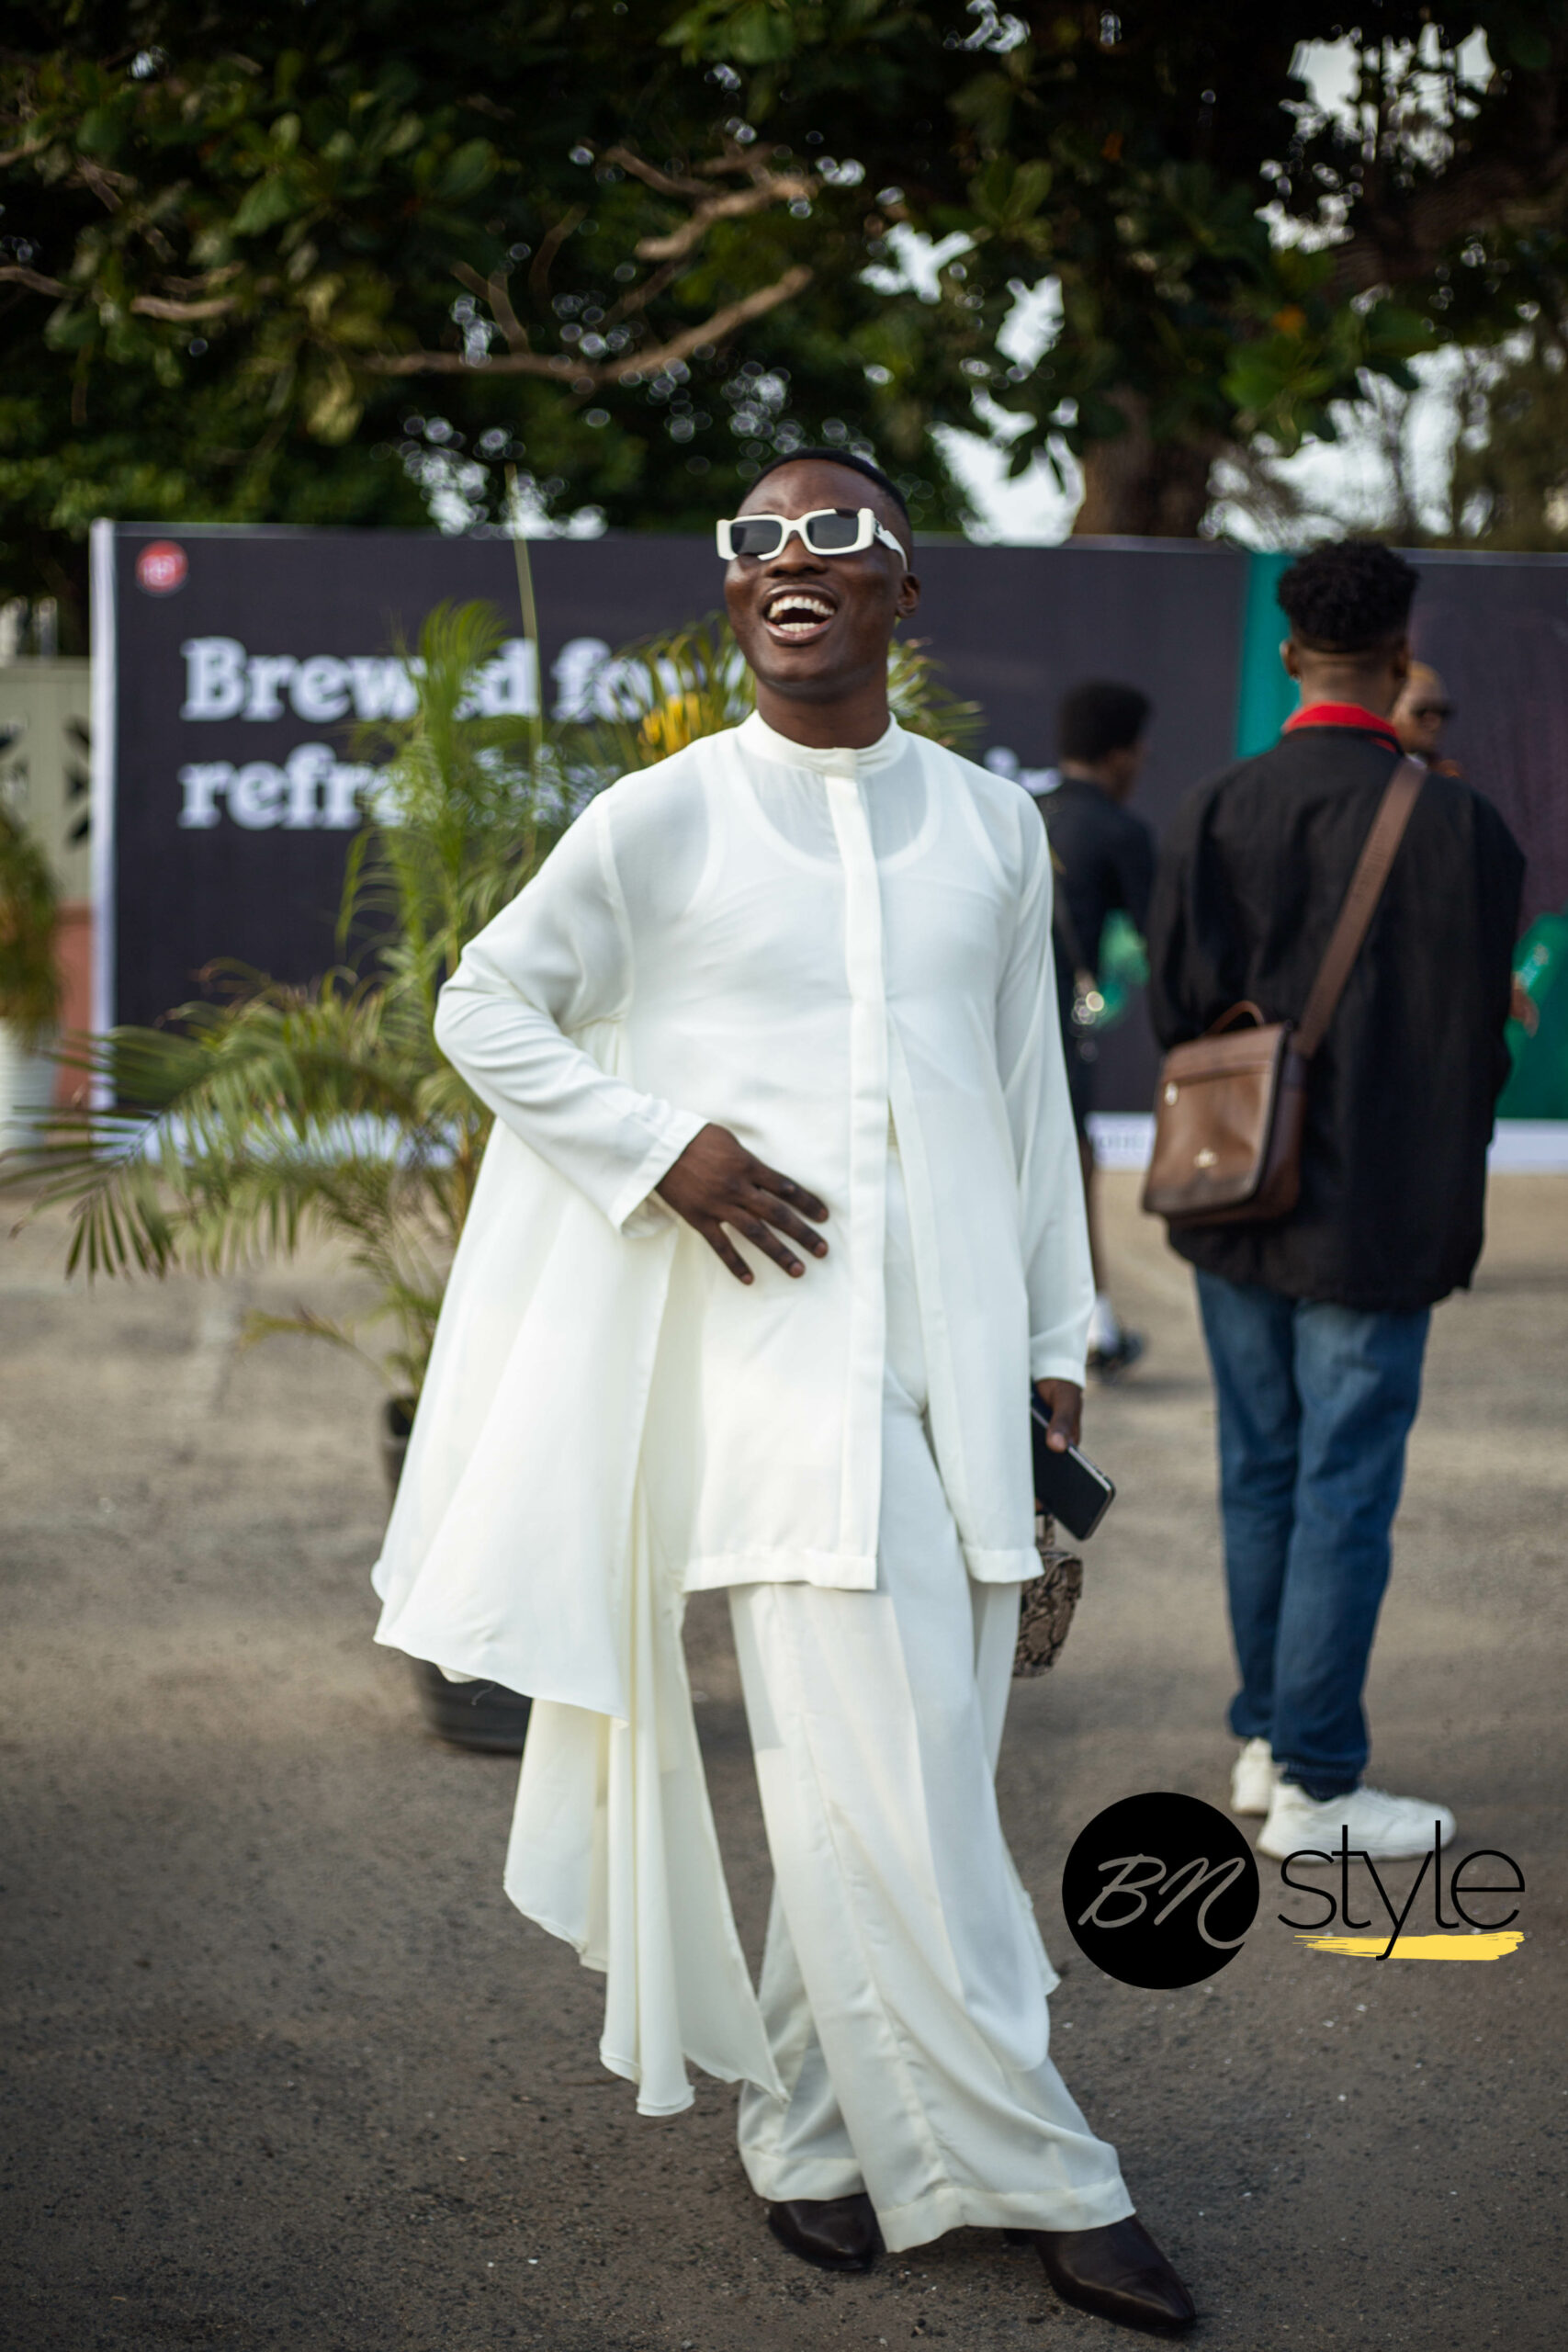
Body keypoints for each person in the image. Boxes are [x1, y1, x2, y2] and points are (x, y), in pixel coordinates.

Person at [374, 448, 1195, 2335]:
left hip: (958, 1378)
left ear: (904, 590)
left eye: (834, 532)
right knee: (895, 1793)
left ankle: (812, 2130)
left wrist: (1051, 1343)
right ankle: (1055, 2174)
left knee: (897, 1768)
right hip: (768, 1385)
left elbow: (1022, 1094)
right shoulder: (660, 818)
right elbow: (483, 1002)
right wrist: (657, 1146)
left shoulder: (991, 827)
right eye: (755, 539)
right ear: (736, 593)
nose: (787, 557)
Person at [1146, 539, 1524, 1865]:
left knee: (1259, 1471)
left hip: (1235, 1191)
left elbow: (1172, 1008)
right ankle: (1315, 1781)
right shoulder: (1464, 828)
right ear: (1401, 654)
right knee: (1342, 1489)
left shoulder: (1210, 807)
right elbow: (1477, 1044)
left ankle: (1267, 1739)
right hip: (1380, 1214)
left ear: (1287, 654)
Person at [1041, 682, 1156, 1378]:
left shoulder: (1022, 812)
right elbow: (1160, 937)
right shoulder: (1118, 830)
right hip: (1055, 1032)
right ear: (1121, 755)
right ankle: (1094, 1328)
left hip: (987, 1028)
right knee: (1075, 1167)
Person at [1393, 660, 1461, 773]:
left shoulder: (1444, 774)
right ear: (1391, 710)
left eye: (1442, 713)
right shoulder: (1368, 767)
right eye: (1423, 713)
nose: (1436, 724)